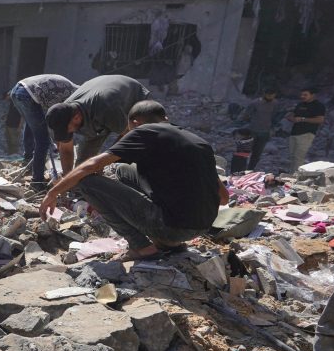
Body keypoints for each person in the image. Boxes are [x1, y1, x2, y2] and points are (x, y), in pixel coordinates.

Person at [40, 100, 229, 262]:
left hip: (172, 228)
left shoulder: (144, 132)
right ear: (165, 119)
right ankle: (166, 242)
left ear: (135, 123)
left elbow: (91, 165)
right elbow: (224, 198)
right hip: (202, 226)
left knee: (85, 181)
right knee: (123, 170)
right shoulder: (199, 142)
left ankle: (141, 246)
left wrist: (53, 192)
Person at [45, 75, 150, 175]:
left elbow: (128, 134)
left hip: (136, 100)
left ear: (76, 118)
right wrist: (67, 181)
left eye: (67, 130)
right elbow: (66, 149)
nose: (67, 133)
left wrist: (104, 162)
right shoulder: (63, 113)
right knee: (83, 167)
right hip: (98, 113)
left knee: (128, 157)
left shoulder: (106, 107)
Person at [9, 74, 79, 190]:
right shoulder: (72, 98)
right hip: (28, 95)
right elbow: (58, 122)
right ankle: (37, 181)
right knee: (43, 140)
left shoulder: (70, 89)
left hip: (18, 90)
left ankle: (28, 159)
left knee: (32, 126)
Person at [286, 88, 325, 173]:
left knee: (299, 157)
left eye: (305, 95)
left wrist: (303, 119)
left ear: (312, 95)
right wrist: (291, 118)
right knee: (292, 156)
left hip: (307, 133)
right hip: (294, 132)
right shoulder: (300, 104)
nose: (302, 96)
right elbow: (293, 115)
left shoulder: (318, 106)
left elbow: (320, 120)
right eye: (301, 95)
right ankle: (291, 174)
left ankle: (295, 177)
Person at [244, 87, 279, 170]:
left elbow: (275, 116)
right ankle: (241, 169)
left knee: (257, 153)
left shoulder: (275, 104)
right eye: (269, 95)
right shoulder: (255, 103)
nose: (270, 97)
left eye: (272, 95)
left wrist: (272, 128)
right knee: (245, 151)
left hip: (265, 132)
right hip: (252, 130)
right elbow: (246, 115)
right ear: (264, 94)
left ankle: (250, 169)